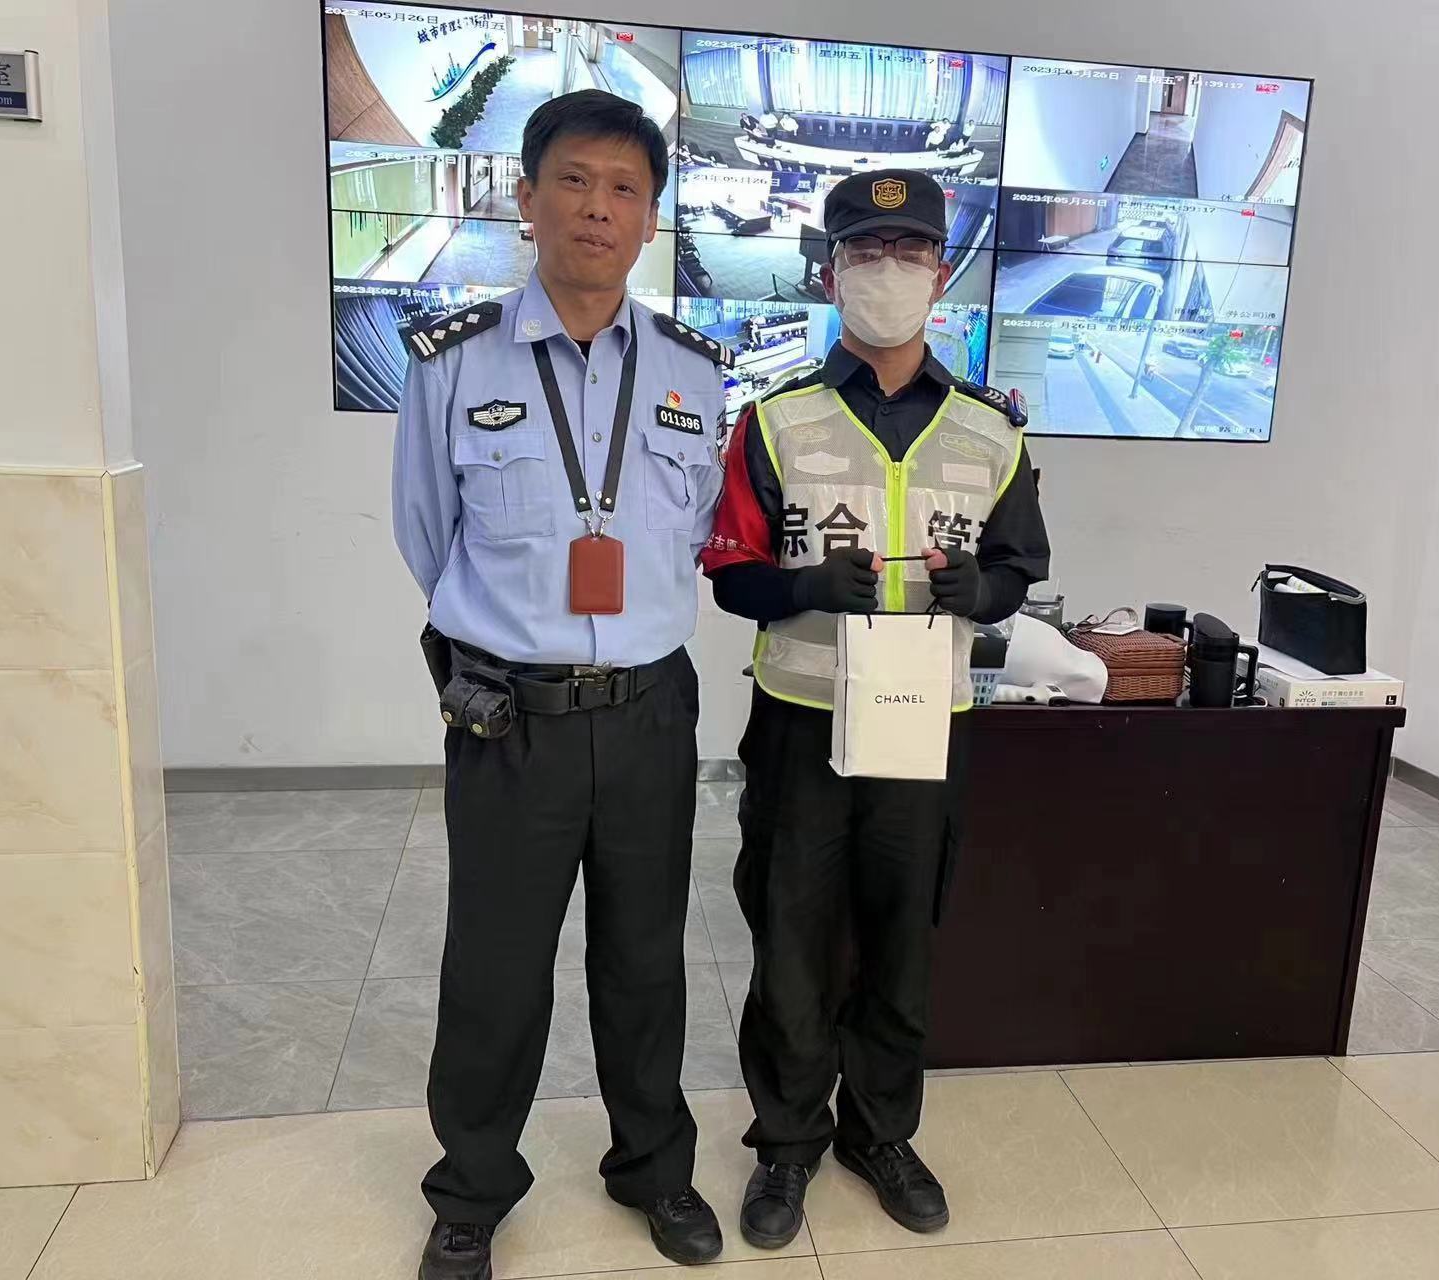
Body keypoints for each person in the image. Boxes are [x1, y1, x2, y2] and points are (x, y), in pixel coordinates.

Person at [393, 89, 735, 1280]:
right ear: (527, 198)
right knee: (494, 965)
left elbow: (695, 534)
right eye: (576, 181)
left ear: (649, 219)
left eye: (625, 189)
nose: (599, 207)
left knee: (646, 958)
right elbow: (427, 534)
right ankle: (472, 1189)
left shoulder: (694, 372)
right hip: (513, 718)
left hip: (649, 712)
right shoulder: (453, 360)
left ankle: (654, 1166)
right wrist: (513, 634)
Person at [700, 169, 1050, 1248]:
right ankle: (787, 1142)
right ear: (830, 271)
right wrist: (802, 586)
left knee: (902, 939)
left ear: (940, 274)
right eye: (864, 251)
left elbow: (1018, 567)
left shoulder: (990, 431)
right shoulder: (773, 421)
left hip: (921, 723)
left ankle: (880, 1133)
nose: (886, 271)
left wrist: (980, 592)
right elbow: (730, 574)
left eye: (908, 252)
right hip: (802, 720)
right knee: (792, 938)